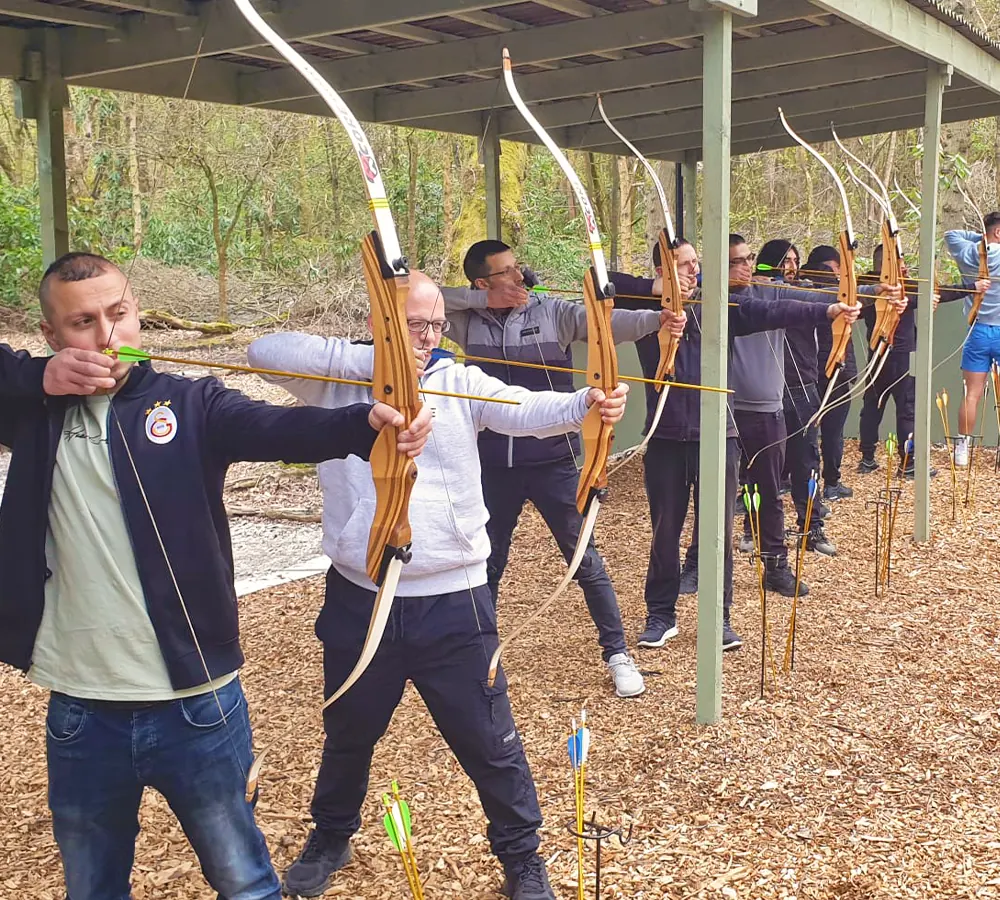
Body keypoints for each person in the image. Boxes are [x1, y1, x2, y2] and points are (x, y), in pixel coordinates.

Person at [0, 252, 433, 900]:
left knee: (246, 881)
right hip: (82, 711)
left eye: (119, 314)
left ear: (139, 312)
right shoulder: (34, 412)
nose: (108, 338)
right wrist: (39, 377)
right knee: (91, 888)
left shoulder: (191, 402)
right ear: (51, 334)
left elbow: (282, 427)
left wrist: (366, 424)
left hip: (198, 707)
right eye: (83, 323)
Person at [247, 271, 629, 900]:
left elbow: (526, 408)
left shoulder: (457, 379)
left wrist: (587, 404)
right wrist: (376, 367)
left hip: (455, 601)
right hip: (363, 597)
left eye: (434, 325)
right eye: (412, 324)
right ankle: (331, 835)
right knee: (349, 730)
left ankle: (522, 859)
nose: (427, 337)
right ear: (380, 323)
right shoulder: (335, 379)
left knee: (490, 740)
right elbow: (264, 350)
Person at [610, 238, 899, 648]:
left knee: (719, 532)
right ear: (660, 272)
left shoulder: (721, 307)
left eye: (696, 263)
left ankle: (718, 618)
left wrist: (831, 309)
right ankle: (660, 615)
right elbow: (598, 282)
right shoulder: (645, 312)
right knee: (665, 530)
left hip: (719, 436)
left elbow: (775, 308)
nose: (695, 271)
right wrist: (656, 293)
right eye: (684, 265)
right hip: (668, 438)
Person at [437, 239, 680, 699]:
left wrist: (658, 320)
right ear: (483, 282)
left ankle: (617, 653)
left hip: (553, 463)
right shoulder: (464, 320)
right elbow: (408, 292)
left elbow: (607, 322)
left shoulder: (552, 312)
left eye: (519, 268)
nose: (521, 277)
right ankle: (478, 657)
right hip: (493, 463)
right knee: (487, 563)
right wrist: (481, 300)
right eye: (507, 272)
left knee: (584, 560)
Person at [857, 245, 977, 475]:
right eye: (898, 261)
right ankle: (908, 464)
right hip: (897, 357)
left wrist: (972, 288)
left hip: (880, 355)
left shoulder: (882, 287)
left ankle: (868, 459)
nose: (904, 265)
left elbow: (938, 292)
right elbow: (932, 294)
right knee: (904, 409)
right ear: (886, 266)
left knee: (873, 406)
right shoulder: (876, 288)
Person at [752, 239, 836, 557]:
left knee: (806, 462)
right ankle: (755, 529)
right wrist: (761, 280)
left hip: (802, 389)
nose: (791, 266)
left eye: (795, 260)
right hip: (764, 390)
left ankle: (810, 529)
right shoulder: (756, 293)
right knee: (761, 464)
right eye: (784, 261)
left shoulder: (804, 291)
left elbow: (831, 297)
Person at [943, 216, 1000, 466]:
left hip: (977, 331)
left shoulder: (966, 251)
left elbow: (951, 234)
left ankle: (962, 448)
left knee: (972, 394)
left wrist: (983, 240)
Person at [804, 246, 859, 495]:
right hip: (833, 370)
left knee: (809, 430)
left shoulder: (801, 286)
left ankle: (804, 482)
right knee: (832, 431)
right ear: (832, 266)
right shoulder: (834, 291)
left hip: (810, 372)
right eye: (840, 267)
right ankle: (831, 483)